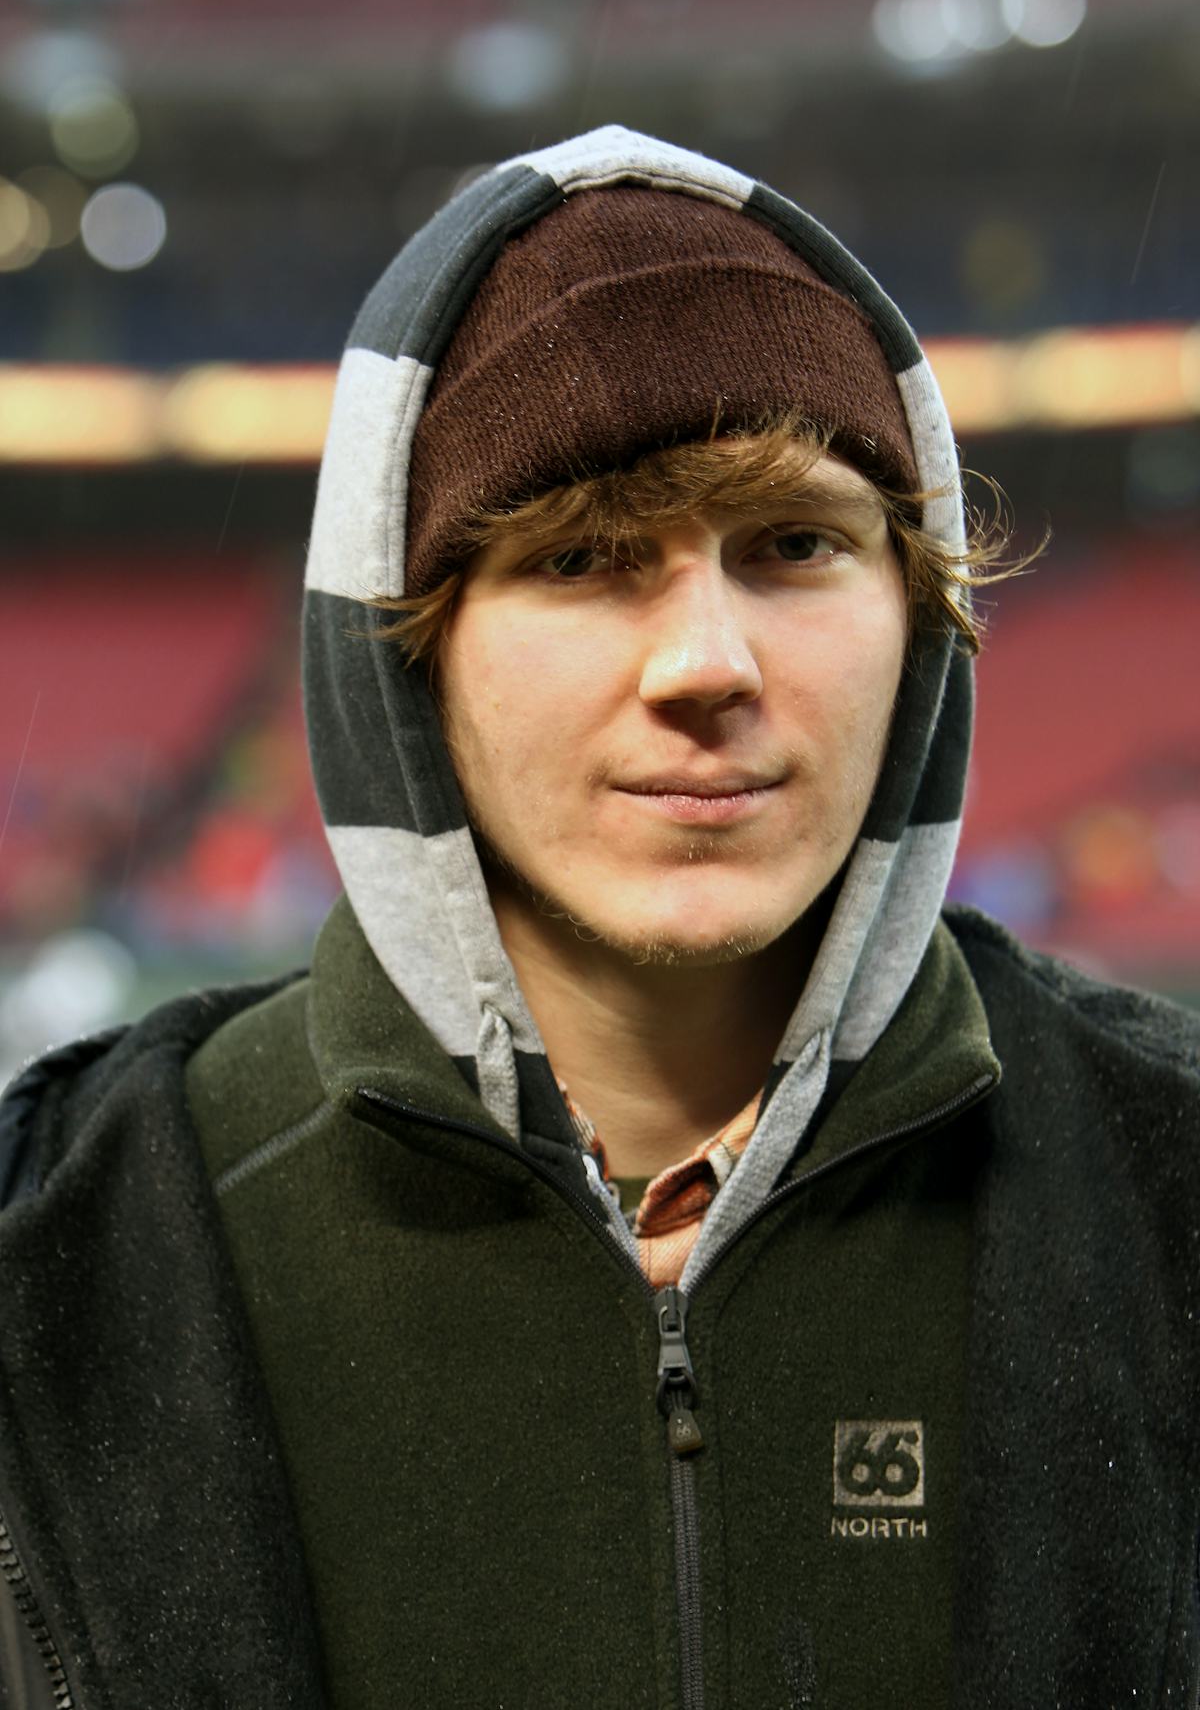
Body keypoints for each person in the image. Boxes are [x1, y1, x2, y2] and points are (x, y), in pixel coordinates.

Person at [1, 126, 1197, 1710]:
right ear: (404, 651)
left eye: (796, 544)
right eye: (579, 558)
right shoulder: (68, 1247)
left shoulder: (1168, 1173)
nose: (708, 662)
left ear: (919, 617)